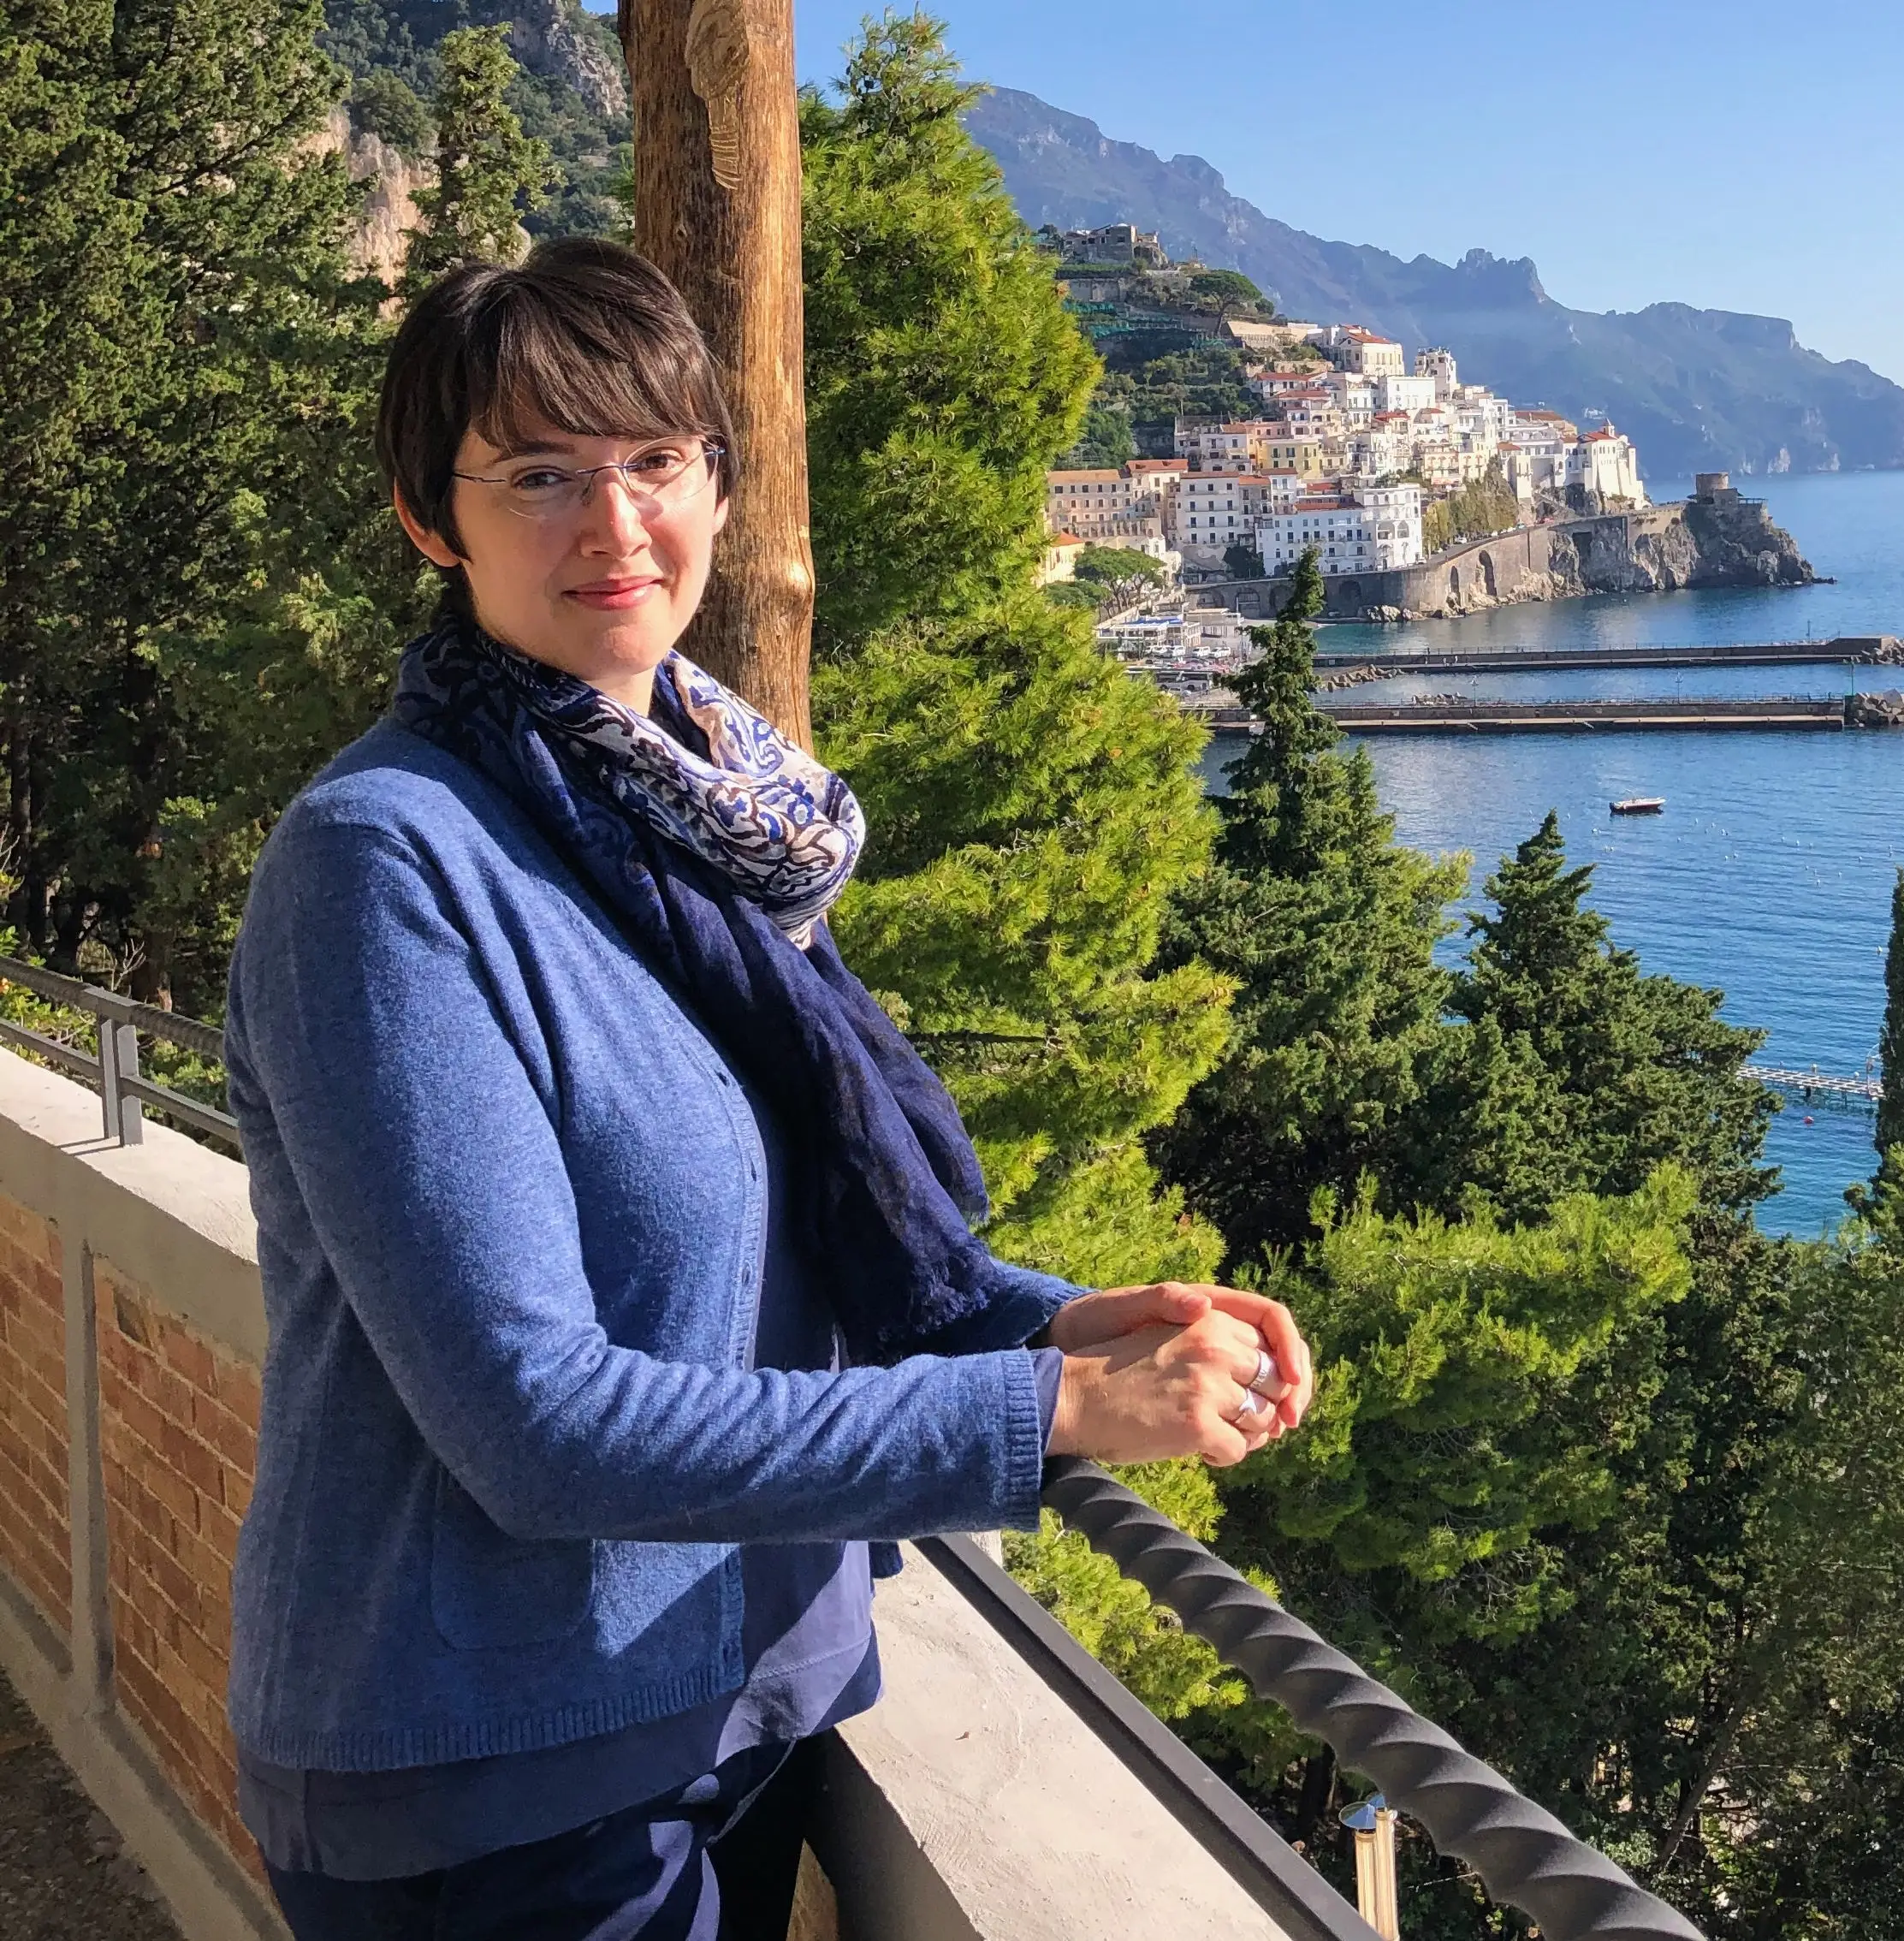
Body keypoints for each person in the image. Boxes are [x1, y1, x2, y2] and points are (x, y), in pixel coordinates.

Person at [221, 236, 1314, 1940]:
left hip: (740, 1706)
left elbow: (784, 1246)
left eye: (657, 462)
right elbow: (536, 1428)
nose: (615, 525)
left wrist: (1051, 1324)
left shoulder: (707, 825)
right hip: (506, 1793)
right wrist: (1046, 1419)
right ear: (433, 520)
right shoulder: (387, 864)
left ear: (720, 485)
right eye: (539, 476)